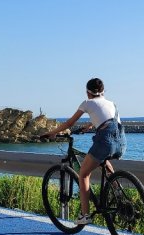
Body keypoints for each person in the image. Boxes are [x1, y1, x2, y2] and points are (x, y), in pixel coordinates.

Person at [40, 78, 126, 225]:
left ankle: (85, 215)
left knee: (84, 174)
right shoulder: (112, 103)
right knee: (103, 160)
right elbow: (107, 120)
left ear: (87, 92)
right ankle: (117, 189)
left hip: (105, 141)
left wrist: (52, 133)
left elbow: (69, 123)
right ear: (103, 91)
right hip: (121, 142)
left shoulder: (87, 103)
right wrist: (90, 126)